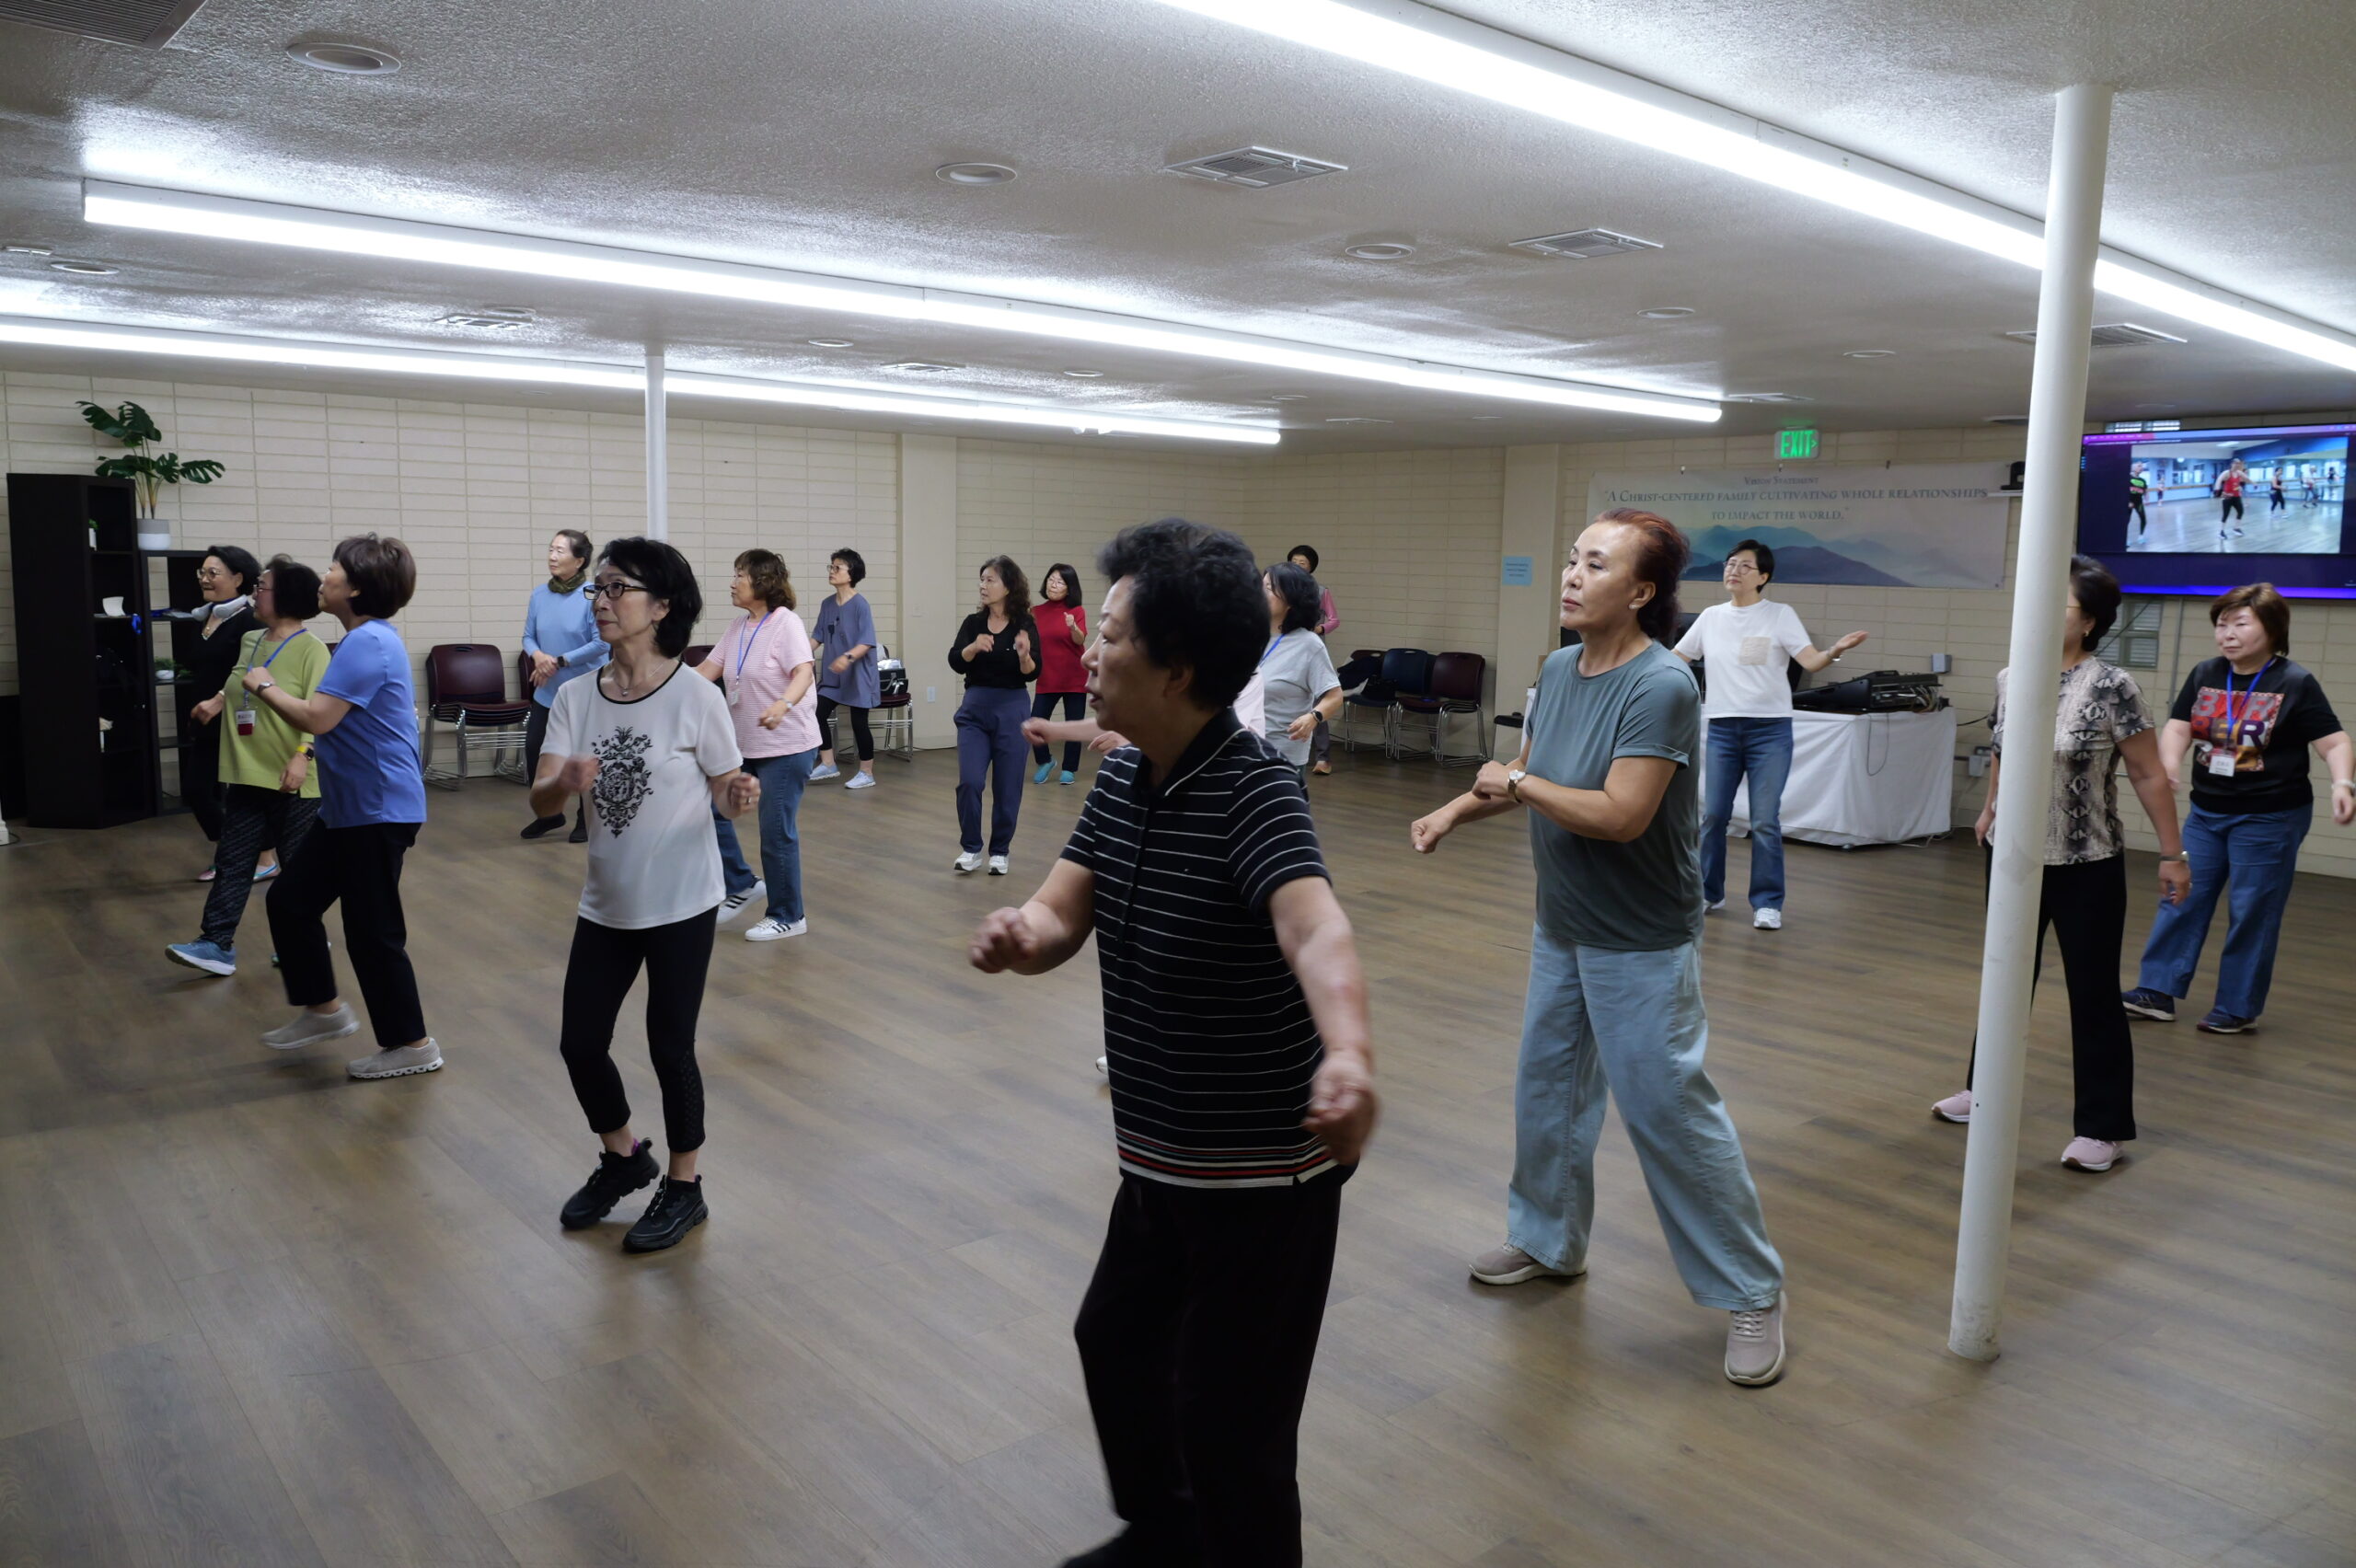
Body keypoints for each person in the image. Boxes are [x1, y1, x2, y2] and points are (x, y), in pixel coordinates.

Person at [970, 518, 1377, 1568]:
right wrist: (1023, 934)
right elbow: (1061, 912)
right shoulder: (1120, 779)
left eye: (1110, 637)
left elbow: (1315, 928)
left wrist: (1348, 1054)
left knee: (1234, 1427)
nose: (1090, 654)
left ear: (1178, 670)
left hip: (1263, 1183)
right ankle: (1166, 1536)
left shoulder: (1255, 789)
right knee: (1114, 1341)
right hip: (1159, 1164)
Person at [1409, 508, 1787, 1388]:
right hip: (1564, 923)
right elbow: (1532, 777)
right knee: (1547, 1092)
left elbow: (1620, 815)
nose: (1573, 576)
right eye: (1573, 559)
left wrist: (1517, 783)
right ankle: (1548, 1241)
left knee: (1668, 1112)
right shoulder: (1557, 669)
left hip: (1641, 937)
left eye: (1597, 565)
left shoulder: (1662, 686)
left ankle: (1752, 1288)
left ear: (1643, 592)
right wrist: (1457, 810)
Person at [1930, 558, 2189, 1173]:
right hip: (2013, 858)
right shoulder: (2011, 676)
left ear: (2090, 620)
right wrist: (1990, 807)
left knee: (2092, 993)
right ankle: (1983, 1089)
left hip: (2086, 860)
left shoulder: (2113, 685)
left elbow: (2148, 773)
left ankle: (2103, 1127)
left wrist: (2173, 854)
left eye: (2060, 603)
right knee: (2005, 979)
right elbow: (2003, 746)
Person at [533, 537, 750, 1253]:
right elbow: (541, 800)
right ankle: (624, 1156)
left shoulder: (695, 696)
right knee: (580, 1043)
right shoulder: (575, 697)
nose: (600, 600)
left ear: (661, 607)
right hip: (607, 902)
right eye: (597, 588)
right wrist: (562, 784)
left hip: (682, 902)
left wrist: (738, 794)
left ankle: (685, 1187)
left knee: (670, 1045)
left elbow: (724, 788)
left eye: (617, 588)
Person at [243, 534, 439, 1080]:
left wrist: (263, 687)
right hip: (351, 809)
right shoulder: (363, 639)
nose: (323, 577)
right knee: (290, 901)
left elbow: (318, 719)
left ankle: (413, 1044)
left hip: (379, 809)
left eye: (333, 569)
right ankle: (324, 1009)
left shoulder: (367, 642)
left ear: (354, 587)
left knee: (373, 932)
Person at [2122, 583, 2354, 1033]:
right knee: (2180, 894)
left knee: (2252, 909)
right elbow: (2179, 726)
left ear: (2272, 629)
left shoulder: (2294, 682)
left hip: (2270, 815)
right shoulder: (2206, 672)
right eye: (2221, 625)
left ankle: (2237, 1006)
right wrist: (2168, 764)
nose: (2226, 634)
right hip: (2207, 811)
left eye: (2240, 624)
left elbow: (2335, 741)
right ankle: (2157, 991)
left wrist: (2343, 783)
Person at [1672, 539, 1867, 929]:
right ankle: (1708, 892)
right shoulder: (1710, 617)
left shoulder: (1779, 615)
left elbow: (1810, 661)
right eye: (1730, 564)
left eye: (1745, 566)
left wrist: (1835, 650)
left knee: (1764, 820)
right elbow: (1679, 657)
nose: (1734, 571)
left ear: (1763, 577)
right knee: (1714, 816)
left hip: (1769, 730)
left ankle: (1767, 902)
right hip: (1723, 727)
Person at [166, 556, 329, 976]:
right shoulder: (252, 639)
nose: (255, 592)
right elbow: (239, 680)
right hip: (245, 771)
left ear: (285, 597)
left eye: (262, 586)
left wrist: (302, 756)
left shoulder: (312, 650)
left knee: (297, 872)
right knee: (233, 862)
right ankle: (215, 944)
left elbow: (318, 713)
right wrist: (216, 701)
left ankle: (303, 943)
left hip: (292, 777)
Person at [694, 550, 819, 942]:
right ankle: (741, 883)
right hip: (745, 746)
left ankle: (788, 915)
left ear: (762, 582)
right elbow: (705, 673)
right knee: (709, 809)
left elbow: (804, 672)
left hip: (787, 746)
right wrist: (659, 683)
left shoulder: (786, 623)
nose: (732, 583)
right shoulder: (737, 627)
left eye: (740, 575)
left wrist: (783, 705)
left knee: (776, 831)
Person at [948, 556, 1037, 875]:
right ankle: (971, 847)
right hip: (975, 709)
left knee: (1008, 786)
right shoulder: (973, 623)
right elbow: (956, 661)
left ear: (1008, 586)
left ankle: (1000, 851)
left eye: (990, 580)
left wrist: (1024, 656)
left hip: (1012, 709)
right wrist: (973, 648)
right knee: (970, 781)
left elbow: (1032, 672)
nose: (983, 586)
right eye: (982, 579)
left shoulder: (1024, 624)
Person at [181, 546, 265, 881]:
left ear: (238, 578)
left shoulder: (249, 620)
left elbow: (251, 670)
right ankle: (234, 853)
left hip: (236, 717)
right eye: (202, 573)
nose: (205, 579)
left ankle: (259, 859)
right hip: (207, 720)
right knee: (199, 790)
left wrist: (218, 699)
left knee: (245, 792)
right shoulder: (206, 617)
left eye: (213, 573)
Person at [520, 529, 606, 841]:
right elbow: (528, 637)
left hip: (585, 691)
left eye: (560, 551)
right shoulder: (539, 595)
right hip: (547, 691)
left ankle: (586, 818)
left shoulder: (592, 594)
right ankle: (549, 814)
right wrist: (539, 657)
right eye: (551, 549)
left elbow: (602, 644)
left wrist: (558, 661)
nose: (552, 556)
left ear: (579, 560)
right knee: (534, 750)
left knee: (584, 755)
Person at [1260, 563, 1345, 781]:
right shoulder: (1250, 636)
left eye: (1269, 588)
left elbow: (1334, 696)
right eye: (1261, 586)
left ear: (1291, 600)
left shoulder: (1308, 644)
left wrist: (1313, 717)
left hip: (1281, 754)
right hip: (1242, 748)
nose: (1260, 593)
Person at [809, 548, 880, 790]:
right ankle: (828, 763)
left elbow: (867, 641)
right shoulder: (827, 604)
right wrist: (797, 654)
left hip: (858, 674)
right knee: (817, 712)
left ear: (851, 573)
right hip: (834, 676)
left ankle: (866, 773)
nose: (832, 571)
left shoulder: (861, 605)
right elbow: (818, 636)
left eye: (837, 567)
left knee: (860, 723)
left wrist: (847, 658)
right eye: (831, 567)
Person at [1031, 562, 1091, 784]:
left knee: (1073, 725)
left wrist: (1073, 626)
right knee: (1035, 722)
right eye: (1051, 580)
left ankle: (1069, 769)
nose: (1053, 585)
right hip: (1047, 676)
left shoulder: (1077, 611)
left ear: (1069, 588)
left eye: (1059, 582)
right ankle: (1045, 761)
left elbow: (1079, 640)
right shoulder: (1036, 612)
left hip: (1074, 676)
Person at [1287, 545, 1340, 775]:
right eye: (1294, 562)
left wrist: (1319, 629)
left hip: (1310, 648)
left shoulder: (1320, 591)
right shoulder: (1282, 590)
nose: (1297, 567)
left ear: (1311, 567)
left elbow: (1334, 620)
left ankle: (1323, 758)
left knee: (1319, 702)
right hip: (1288, 649)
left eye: (1303, 563)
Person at [2217, 459, 2247, 539]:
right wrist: (2218, 491)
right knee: (2226, 514)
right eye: (2236, 463)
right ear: (2232, 464)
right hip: (2227, 496)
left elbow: (2239, 483)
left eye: (2239, 464)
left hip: (2236, 497)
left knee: (2241, 511)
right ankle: (2221, 532)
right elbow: (2219, 480)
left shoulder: (2239, 473)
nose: (2237, 465)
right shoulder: (2227, 473)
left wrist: (2240, 487)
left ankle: (2236, 528)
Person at [2127, 462, 2150, 538]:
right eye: (2139, 466)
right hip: (2128, 503)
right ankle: (2124, 538)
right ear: (2133, 468)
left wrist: (2147, 500)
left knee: (2143, 519)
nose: (2141, 468)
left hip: (2139, 503)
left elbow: (2146, 491)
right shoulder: (2127, 478)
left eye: (2142, 466)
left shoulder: (2143, 481)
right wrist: (2128, 502)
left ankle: (2141, 536)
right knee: (2126, 521)